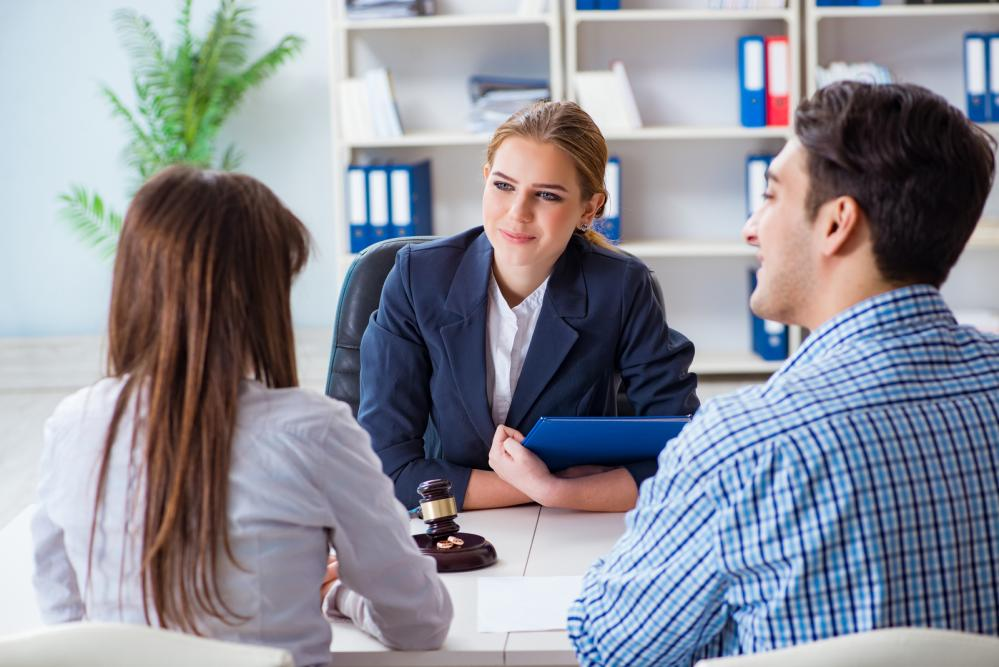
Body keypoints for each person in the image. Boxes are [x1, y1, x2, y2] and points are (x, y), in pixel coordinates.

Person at [568, 81, 999, 665]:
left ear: (836, 224)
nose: (751, 228)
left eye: (770, 197)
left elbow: (611, 647)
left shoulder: (741, 446)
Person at [31, 166, 452, 667]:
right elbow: (419, 622)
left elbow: (63, 611)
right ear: (261, 299)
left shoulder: (73, 424)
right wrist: (337, 593)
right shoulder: (313, 432)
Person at [359, 101, 699, 513]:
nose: (518, 213)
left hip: (571, 524)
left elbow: (685, 453)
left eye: (547, 195)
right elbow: (385, 470)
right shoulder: (418, 279)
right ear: (486, 179)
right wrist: (537, 487)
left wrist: (559, 495)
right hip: (453, 523)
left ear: (588, 209)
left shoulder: (622, 288)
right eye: (503, 186)